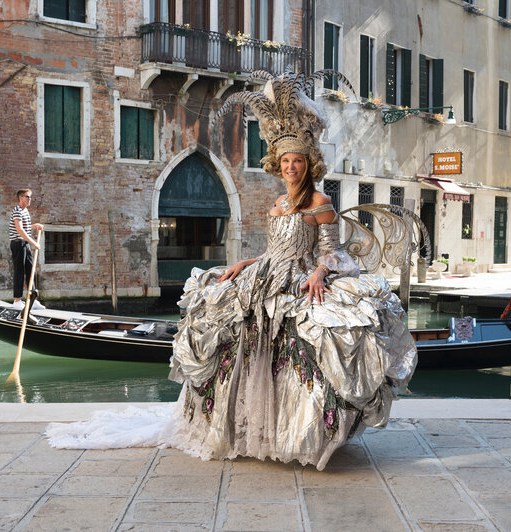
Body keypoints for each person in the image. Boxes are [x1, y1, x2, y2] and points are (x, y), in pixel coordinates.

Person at [46, 70, 417, 470]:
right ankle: (243, 428)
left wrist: (319, 273)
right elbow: (276, 249)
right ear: (278, 163)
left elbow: (332, 251)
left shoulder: (319, 201)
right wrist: (245, 261)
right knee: (238, 344)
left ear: (309, 165)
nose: (292, 167)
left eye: (298, 161)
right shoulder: (277, 202)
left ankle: (300, 432)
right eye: (286, 161)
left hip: (296, 284)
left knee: (308, 349)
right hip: (263, 278)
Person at [10, 189, 44, 309]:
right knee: (19, 271)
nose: (30, 199)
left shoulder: (25, 211)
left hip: (25, 243)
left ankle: (32, 300)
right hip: (18, 243)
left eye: (30, 197)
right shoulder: (17, 210)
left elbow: (25, 228)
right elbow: (19, 230)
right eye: (27, 197)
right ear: (21, 197)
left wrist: (34, 226)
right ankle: (17, 301)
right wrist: (34, 242)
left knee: (31, 271)